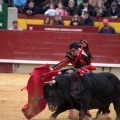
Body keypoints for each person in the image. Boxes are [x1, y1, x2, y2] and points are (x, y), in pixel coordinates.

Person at [52, 41, 94, 119]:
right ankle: (71, 113)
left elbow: (89, 64)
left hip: (87, 73)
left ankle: (87, 111)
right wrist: (53, 69)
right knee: (71, 91)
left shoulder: (85, 52)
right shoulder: (71, 55)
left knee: (87, 92)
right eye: (71, 51)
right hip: (76, 74)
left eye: (74, 51)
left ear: (78, 49)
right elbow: (63, 63)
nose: (72, 52)